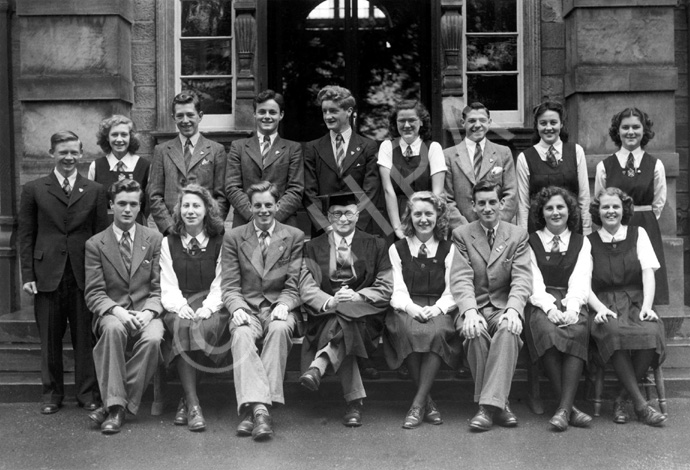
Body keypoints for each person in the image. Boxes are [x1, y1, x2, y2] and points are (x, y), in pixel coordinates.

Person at [18, 130, 109, 414]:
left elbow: (100, 236)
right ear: (51, 155)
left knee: (85, 337)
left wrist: (101, 277)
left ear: (82, 154)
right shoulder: (34, 189)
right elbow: (26, 234)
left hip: (83, 275)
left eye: (74, 152)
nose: (68, 158)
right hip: (47, 274)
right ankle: (51, 395)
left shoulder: (94, 190)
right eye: (62, 152)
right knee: (50, 338)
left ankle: (86, 394)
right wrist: (28, 275)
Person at [298, 191, 393, 427]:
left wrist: (357, 295)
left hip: (365, 316)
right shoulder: (313, 246)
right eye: (337, 213)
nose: (343, 219)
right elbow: (306, 285)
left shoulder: (375, 243)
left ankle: (320, 365)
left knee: (347, 318)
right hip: (326, 314)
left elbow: (385, 285)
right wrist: (330, 301)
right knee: (342, 320)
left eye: (349, 213)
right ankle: (354, 403)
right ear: (329, 216)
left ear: (358, 214)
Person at [221, 181, 304, 441]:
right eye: (258, 205)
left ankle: (253, 411)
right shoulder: (234, 237)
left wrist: (284, 304)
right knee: (242, 334)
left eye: (269, 204)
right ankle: (262, 411)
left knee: (280, 329)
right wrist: (236, 308)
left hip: (279, 305)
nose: (263, 210)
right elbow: (230, 285)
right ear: (250, 207)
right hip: (248, 306)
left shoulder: (293, 236)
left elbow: (294, 284)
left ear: (277, 205)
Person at [449, 181, 532, 432]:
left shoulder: (517, 234)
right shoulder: (462, 234)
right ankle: (501, 404)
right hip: (474, 305)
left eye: (492, 202)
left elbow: (522, 278)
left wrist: (514, 309)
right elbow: (461, 277)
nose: (487, 208)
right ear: (473, 206)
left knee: (508, 330)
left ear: (501, 204)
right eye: (481, 203)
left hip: (502, 307)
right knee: (474, 332)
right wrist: (470, 310)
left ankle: (486, 408)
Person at [84, 179, 165, 434]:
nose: (127, 209)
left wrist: (149, 312)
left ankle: (112, 405)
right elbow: (94, 292)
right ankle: (119, 408)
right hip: (112, 312)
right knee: (113, 330)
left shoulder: (154, 239)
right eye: (122, 204)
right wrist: (117, 311)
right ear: (111, 205)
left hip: (146, 311)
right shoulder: (96, 244)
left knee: (154, 339)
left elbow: (159, 287)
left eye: (133, 204)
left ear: (140, 205)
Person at [587, 187, 666, 427]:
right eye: (605, 207)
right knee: (613, 332)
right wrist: (599, 308)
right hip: (605, 304)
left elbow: (648, 273)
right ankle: (642, 406)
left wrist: (648, 306)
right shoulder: (588, 242)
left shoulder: (638, 233)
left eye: (615, 207)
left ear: (624, 210)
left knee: (651, 332)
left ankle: (621, 398)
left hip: (636, 302)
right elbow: (583, 284)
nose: (610, 211)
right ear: (597, 212)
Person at [383, 191, 461, 429]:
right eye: (417, 214)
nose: (423, 219)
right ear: (410, 217)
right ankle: (427, 402)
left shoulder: (449, 249)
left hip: (439, 307)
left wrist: (436, 309)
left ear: (438, 216)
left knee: (436, 333)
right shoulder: (397, 248)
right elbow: (396, 289)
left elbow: (453, 290)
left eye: (429, 213)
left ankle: (417, 405)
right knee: (411, 332)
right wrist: (412, 308)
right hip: (406, 307)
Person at [160, 184, 229, 432]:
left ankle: (186, 400)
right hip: (179, 302)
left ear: (206, 210)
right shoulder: (168, 242)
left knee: (203, 328)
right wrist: (180, 306)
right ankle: (194, 405)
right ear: (180, 210)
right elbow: (167, 283)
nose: (191, 211)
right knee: (182, 327)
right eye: (186, 206)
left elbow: (222, 282)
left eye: (196, 206)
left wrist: (209, 308)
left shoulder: (220, 241)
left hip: (211, 302)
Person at [525, 186, 592, 431]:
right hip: (540, 301)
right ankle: (569, 409)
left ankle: (563, 409)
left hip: (572, 299)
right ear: (541, 213)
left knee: (575, 329)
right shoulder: (530, 241)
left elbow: (581, 278)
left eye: (560, 207)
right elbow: (532, 280)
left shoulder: (581, 242)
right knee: (548, 331)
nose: (555, 212)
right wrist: (550, 308)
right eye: (549, 208)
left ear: (569, 211)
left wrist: (572, 307)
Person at [594, 107, 668, 305]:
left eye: (636, 127)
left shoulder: (655, 165)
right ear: (617, 131)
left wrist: (642, 219)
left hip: (646, 224)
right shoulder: (605, 166)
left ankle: (647, 313)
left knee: (646, 273)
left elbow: (658, 202)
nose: (630, 132)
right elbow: (599, 200)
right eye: (625, 127)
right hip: (615, 227)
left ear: (644, 131)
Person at [303, 85, 380, 236]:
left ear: (349, 111)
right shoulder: (312, 148)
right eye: (324, 111)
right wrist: (326, 226)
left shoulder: (368, 147)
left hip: (359, 231)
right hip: (324, 233)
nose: (327, 116)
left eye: (333, 111)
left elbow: (371, 191)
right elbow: (309, 193)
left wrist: (354, 227)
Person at [148, 91, 228, 235]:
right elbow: (155, 195)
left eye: (190, 115)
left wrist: (211, 226)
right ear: (174, 118)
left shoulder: (216, 150)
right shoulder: (162, 151)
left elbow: (222, 196)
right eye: (180, 116)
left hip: (207, 232)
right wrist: (169, 227)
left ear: (200, 116)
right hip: (173, 232)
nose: (185, 120)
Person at [226, 89, 304, 228]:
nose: (267, 116)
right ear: (254, 114)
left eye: (272, 112)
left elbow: (295, 189)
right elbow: (232, 187)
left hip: (283, 225)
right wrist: (254, 216)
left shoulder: (293, 149)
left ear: (281, 115)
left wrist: (271, 219)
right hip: (245, 224)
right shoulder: (238, 147)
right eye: (262, 112)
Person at [516, 101, 591, 234]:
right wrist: (523, 237)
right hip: (538, 230)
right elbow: (523, 204)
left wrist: (586, 230)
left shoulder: (576, 152)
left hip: (572, 229)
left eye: (553, 122)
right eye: (543, 123)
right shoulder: (525, 158)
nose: (548, 128)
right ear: (537, 126)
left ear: (561, 124)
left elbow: (584, 197)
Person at [378, 100, 446, 243]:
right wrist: (397, 227)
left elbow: (437, 193)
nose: (407, 125)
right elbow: (387, 190)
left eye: (412, 120)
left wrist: (426, 221)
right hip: (395, 216)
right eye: (401, 121)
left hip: (425, 217)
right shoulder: (387, 147)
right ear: (395, 123)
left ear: (421, 122)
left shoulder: (433, 148)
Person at [444, 102, 517, 229]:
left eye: (482, 120)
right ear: (463, 122)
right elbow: (446, 199)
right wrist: (465, 230)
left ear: (489, 122)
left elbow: (511, 193)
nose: (477, 125)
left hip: (497, 231)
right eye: (472, 120)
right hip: (461, 233)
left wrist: (494, 224)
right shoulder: (448, 156)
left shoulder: (503, 153)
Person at [89, 114, 150, 225]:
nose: (119, 139)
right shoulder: (96, 166)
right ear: (107, 137)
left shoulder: (144, 166)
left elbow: (148, 205)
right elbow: (91, 203)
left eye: (124, 135)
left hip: (136, 226)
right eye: (114, 135)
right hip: (105, 228)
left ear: (130, 137)